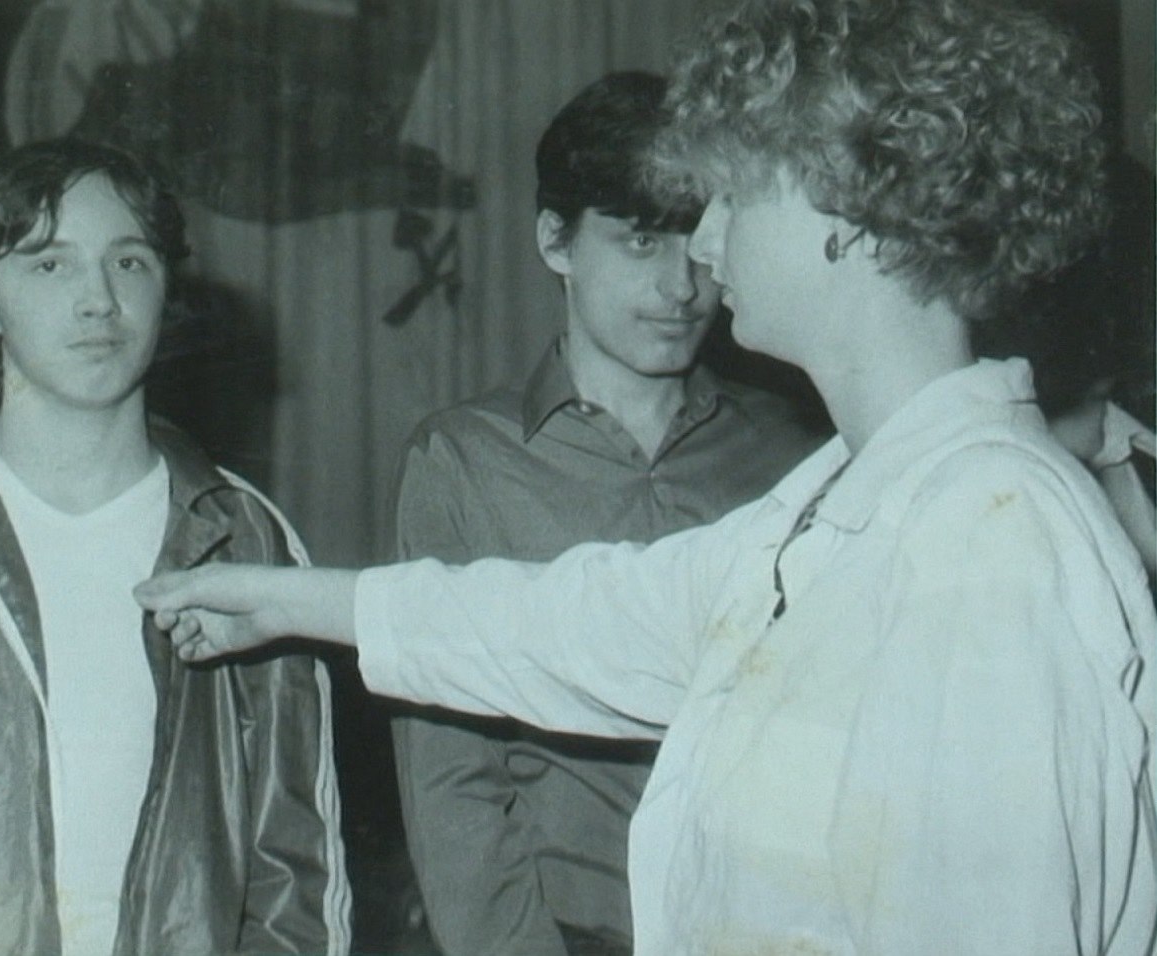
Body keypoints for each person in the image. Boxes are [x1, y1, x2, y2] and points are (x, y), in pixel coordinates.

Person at [137, 0, 1157, 951]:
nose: (703, 246)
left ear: (850, 217)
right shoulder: (854, 499)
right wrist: (287, 600)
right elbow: (586, 617)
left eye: (733, 196)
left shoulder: (988, 547)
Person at [0, 138, 351, 955]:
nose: (98, 300)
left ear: (166, 291)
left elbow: (298, 879)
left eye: (129, 262)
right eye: (49, 264)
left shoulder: (244, 536)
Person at [388, 69, 824, 956]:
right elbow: (452, 786)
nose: (682, 287)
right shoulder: (465, 460)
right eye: (640, 242)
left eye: (699, 245)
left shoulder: (794, 451)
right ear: (556, 240)